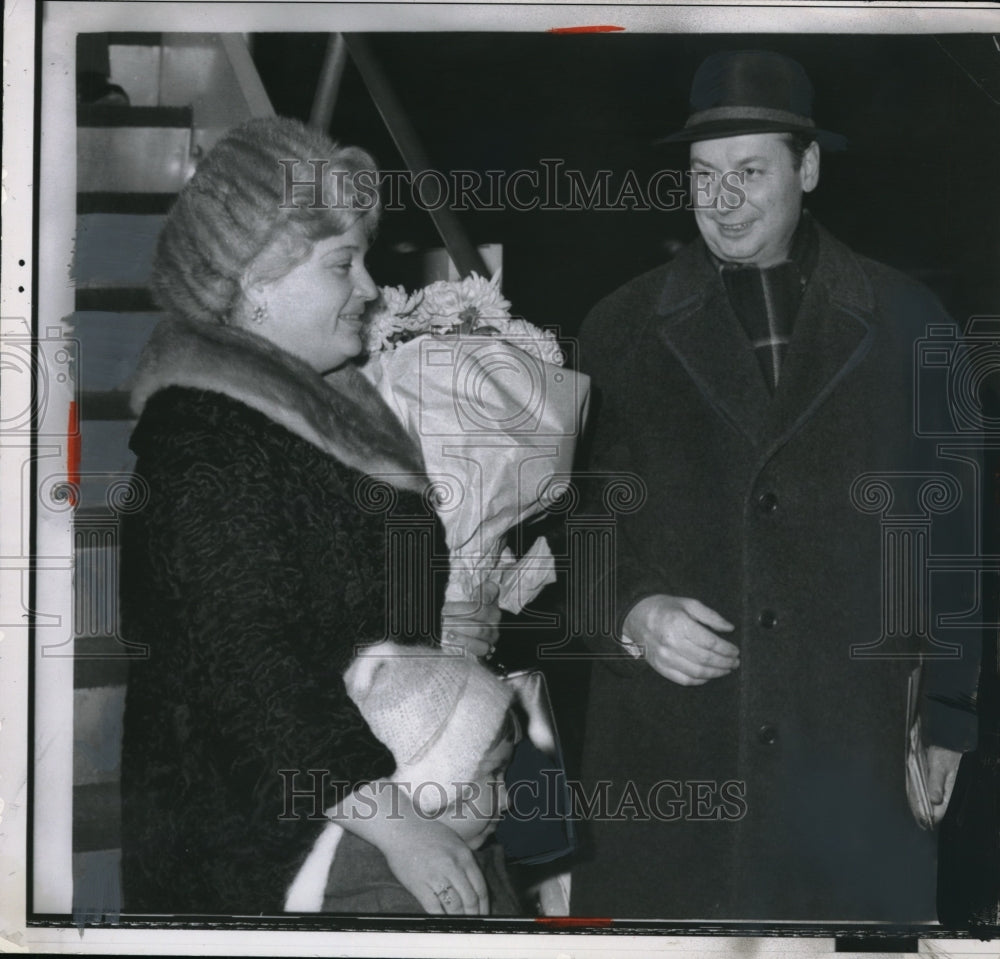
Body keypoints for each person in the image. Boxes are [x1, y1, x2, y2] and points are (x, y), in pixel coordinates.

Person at [570, 50, 981, 921]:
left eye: (750, 172)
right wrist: (632, 613)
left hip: (852, 763)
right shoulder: (618, 327)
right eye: (702, 175)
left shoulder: (913, 322)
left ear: (810, 168)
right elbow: (572, 525)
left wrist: (948, 716)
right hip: (672, 766)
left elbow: (957, 537)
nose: (721, 200)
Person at [119, 116, 499, 916]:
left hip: (352, 812)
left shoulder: (323, 410)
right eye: (342, 264)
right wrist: (401, 827)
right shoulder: (206, 441)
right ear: (255, 282)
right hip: (273, 849)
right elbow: (251, 669)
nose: (371, 288)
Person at [284, 641, 523, 914]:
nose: (507, 800)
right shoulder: (392, 905)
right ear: (429, 790)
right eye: (494, 774)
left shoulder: (461, 851)